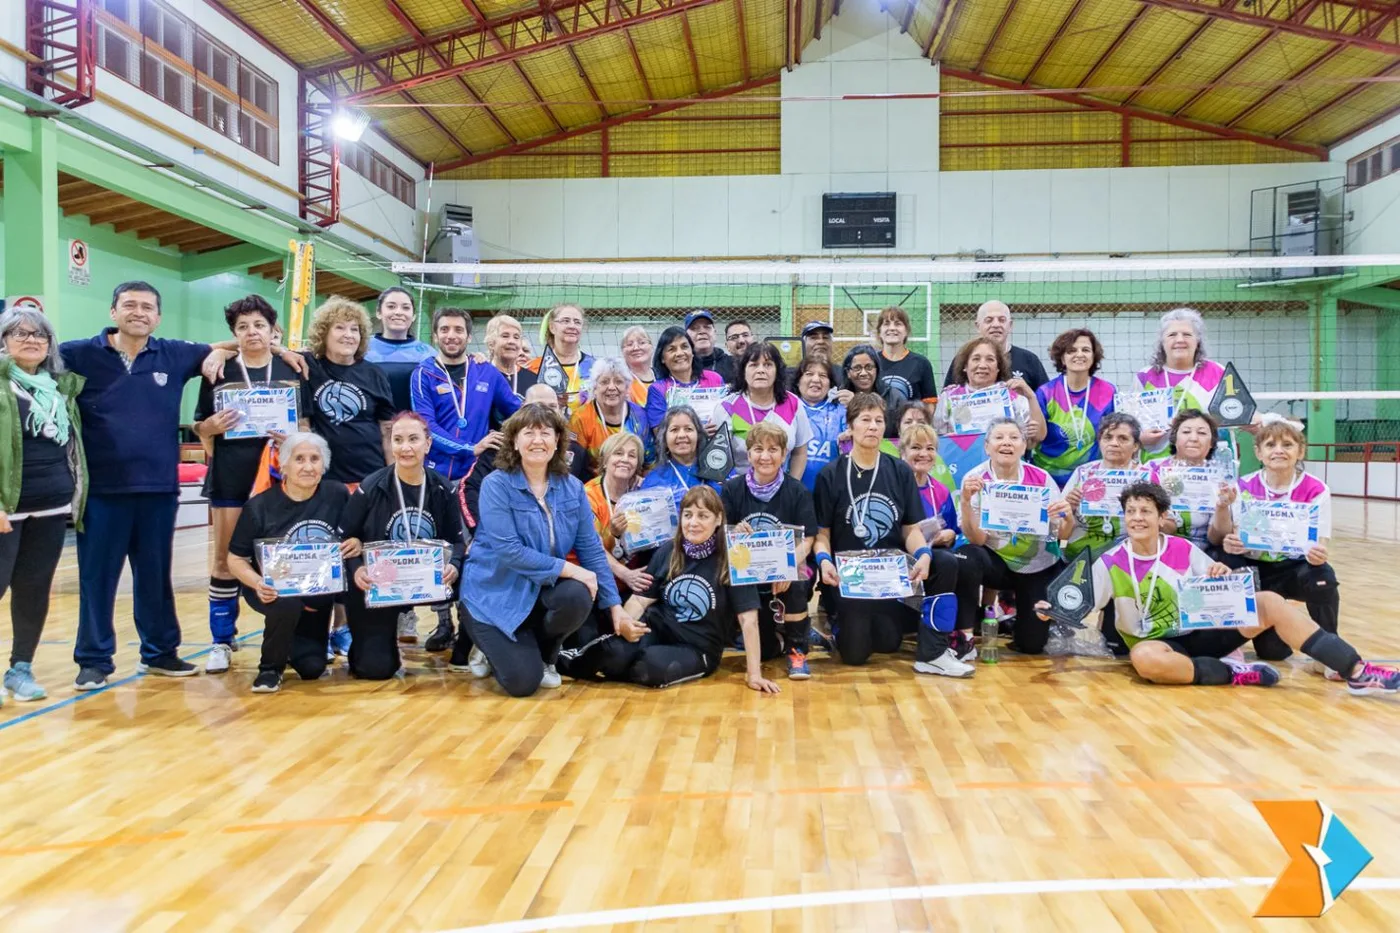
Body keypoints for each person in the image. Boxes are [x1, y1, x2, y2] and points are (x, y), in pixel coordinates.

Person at [1049, 482, 1399, 695]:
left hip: (1201, 630)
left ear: (1161, 516)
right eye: (1130, 511)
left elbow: (1218, 587)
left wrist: (1218, 571)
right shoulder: (1110, 561)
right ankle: (1234, 673)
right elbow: (1079, 602)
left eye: (1145, 511)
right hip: (1156, 641)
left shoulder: (1183, 548)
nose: (1137, 517)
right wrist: (1049, 608)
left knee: (1270, 602)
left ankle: (1355, 669)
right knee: (1146, 663)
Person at [61, 281, 225, 688]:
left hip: (157, 489)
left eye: (148, 307)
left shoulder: (174, 353)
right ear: (113, 311)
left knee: (155, 575)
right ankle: (94, 660)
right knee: (97, 578)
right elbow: (23, 356)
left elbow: (241, 342)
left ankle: (160, 653)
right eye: (130, 305)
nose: (139, 312)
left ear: (158, 316)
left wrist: (222, 350)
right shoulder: (76, 353)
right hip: (101, 492)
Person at [451, 402, 630, 697]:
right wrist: (574, 570)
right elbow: (509, 551)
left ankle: (547, 657)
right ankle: (482, 639)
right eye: (529, 433)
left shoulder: (572, 487)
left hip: (538, 590)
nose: (538, 440)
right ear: (515, 441)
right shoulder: (496, 484)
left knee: (577, 595)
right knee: (523, 684)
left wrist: (616, 607)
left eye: (546, 433)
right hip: (493, 595)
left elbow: (591, 550)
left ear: (557, 441)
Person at [556, 486, 778, 693]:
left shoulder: (734, 559)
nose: (693, 523)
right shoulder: (668, 551)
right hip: (656, 629)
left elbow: (748, 620)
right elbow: (640, 600)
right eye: (688, 515)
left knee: (650, 667)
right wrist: (625, 625)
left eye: (703, 515)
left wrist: (754, 674)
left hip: (697, 647)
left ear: (718, 519)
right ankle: (558, 662)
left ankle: (617, 666)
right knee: (613, 652)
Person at [193, 296, 311, 674]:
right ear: (234, 333)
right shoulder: (218, 368)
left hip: (281, 479)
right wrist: (213, 426)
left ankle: (281, 637)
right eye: (242, 327)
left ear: (272, 330)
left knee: (281, 557)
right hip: (231, 475)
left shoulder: (291, 366)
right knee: (226, 558)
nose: (251, 333)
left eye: (258, 325)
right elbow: (200, 427)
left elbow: (305, 427)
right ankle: (221, 640)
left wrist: (290, 437)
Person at [812, 393, 957, 672]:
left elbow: (910, 529)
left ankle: (935, 651)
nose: (873, 427)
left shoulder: (900, 471)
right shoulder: (830, 474)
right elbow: (822, 535)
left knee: (889, 642)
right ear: (850, 426)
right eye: (865, 420)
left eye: (879, 420)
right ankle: (838, 622)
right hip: (848, 575)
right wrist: (824, 561)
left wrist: (924, 554)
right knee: (855, 655)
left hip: (889, 572)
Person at [0, 309, 86, 702]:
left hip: (51, 505)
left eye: (39, 334)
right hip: (7, 507)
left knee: (33, 589)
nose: (31, 340)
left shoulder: (60, 387)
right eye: (19, 333)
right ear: (4, 340)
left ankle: (21, 669)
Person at [225, 432, 354, 693]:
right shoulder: (259, 506)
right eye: (299, 459)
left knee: (311, 668)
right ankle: (269, 670)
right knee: (286, 603)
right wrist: (259, 583)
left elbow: (355, 533)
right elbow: (235, 559)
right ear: (283, 465)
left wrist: (357, 542)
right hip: (271, 591)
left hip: (317, 594)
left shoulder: (337, 494)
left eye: (315, 459)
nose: (308, 466)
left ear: (324, 464)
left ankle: (291, 642)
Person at [339, 413, 464, 680]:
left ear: (428, 444)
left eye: (413, 439)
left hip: (429, 579)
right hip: (382, 583)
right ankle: (376, 645)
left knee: (475, 574)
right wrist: (358, 568)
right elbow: (346, 540)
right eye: (398, 440)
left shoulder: (443, 489)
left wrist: (453, 563)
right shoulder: (370, 487)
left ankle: (467, 642)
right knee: (375, 669)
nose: (405, 447)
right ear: (390, 444)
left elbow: (457, 542)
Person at [1218, 414, 1339, 669]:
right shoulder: (1244, 487)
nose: (1279, 451)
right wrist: (1234, 543)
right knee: (1273, 653)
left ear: (1300, 451)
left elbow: (1320, 541)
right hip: (1257, 570)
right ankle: (1244, 636)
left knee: (1323, 574)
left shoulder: (1316, 489)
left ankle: (1329, 652)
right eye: (1270, 445)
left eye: (1287, 444)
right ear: (1258, 452)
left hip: (1293, 567)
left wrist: (1318, 553)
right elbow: (1237, 534)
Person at [953, 418, 1073, 656]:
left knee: (1032, 646)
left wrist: (1068, 520)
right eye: (999, 437)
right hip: (996, 562)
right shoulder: (975, 479)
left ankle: (1018, 622)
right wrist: (966, 501)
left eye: (1013, 438)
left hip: (1036, 565)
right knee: (966, 556)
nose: (1006, 443)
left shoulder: (1042, 479)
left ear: (1024, 445)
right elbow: (976, 539)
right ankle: (964, 634)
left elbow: (1062, 537)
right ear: (987, 446)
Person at [721, 422, 819, 679]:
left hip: (790, 567)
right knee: (763, 652)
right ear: (749, 454)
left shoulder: (797, 491)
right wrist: (733, 534)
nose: (765, 456)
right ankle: (783, 637)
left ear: (784, 454)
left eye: (773, 449)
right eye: (758, 449)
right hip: (749, 572)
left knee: (798, 579)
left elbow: (808, 539)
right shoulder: (732, 489)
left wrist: (785, 566)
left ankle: (798, 651)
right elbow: (722, 536)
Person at [458, 383, 592, 540]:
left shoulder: (576, 451)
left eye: (552, 406)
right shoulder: (498, 446)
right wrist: (481, 533)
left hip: (558, 544)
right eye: (538, 406)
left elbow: (586, 502)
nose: (545, 412)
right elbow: (469, 488)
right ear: (523, 408)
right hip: (506, 542)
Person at [410, 307, 520, 483]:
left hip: (475, 474)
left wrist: (546, 412)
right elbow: (425, 426)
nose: (451, 335)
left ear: (468, 336)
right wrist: (470, 448)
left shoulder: (487, 372)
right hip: (434, 472)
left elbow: (517, 411)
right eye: (444, 329)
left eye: (459, 330)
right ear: (436, 336)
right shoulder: (423, 374)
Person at [899, 421, 970, 669]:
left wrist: (949, 534)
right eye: (916, 447)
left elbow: (954, 530)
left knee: (954, 561)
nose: (924, 454)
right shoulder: (895, 483)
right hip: (899, 558)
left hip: (932, 561)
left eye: (930, 448)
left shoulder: (940, 490)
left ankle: (937, 648)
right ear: (902, 452)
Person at [302, 297, 396, 486]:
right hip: (327, 478)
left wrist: (394, 477)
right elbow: (262, 349)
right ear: (323, 334)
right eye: (340, 328)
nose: (349, 335)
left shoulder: (375, 373)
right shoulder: (308, 366)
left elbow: (387, 431)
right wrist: (223, 350)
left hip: (371, 475)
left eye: (354, 329)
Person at [1135, 307, 1231, 459]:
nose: (1180, 340)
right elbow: (1132, 424)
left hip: (1207, 465)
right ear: (1162, 341)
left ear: (1197, 340)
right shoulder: (1145, 376)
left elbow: (1238, 412)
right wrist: (1139, 438)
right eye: (1172, 334)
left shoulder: (1219, 372)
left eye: (1187, 334)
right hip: (1157, 465)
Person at [712, 342, 812, 479]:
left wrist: (791, 488)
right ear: (743, 371)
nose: (761, 370)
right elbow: (717, 460)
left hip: (782, 490)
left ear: (777, 371)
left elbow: (800, 453)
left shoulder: (793, 403)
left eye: (768, 365)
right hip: (739, 492)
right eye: (753, 365)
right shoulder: (726, 408)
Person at [1033, 328, 1117, 486]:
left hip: (1090, 477)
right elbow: (1036, 437)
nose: (1079, 354)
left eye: (1085, 350)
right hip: (1048, 478)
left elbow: (1114, 433)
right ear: (1063, 359)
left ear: (1094, 356)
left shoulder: (1108, 391)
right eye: (1071, 351)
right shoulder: (1046, 392)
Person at [1061, 413, 1149, 562]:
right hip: (1079, 555)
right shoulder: (1083, 472)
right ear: (1100, 442)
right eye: (1108, 437)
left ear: (1135, 446)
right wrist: (1069, 508)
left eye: (1123, 438)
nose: (1114, 443)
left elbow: (1160, 524)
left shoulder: (1146, 478)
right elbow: (1059, 526)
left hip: (1128, 557)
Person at [1148, 408, 1235, 546]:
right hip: (1157, 545)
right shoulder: (1152, 469)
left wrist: (1222, 507)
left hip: (1203, 551)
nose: (1193, 438)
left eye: (1201, 433)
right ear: (1174, 438)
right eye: (1186, 432)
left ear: (1212, 442)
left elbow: (1217, 539)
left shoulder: (1220, 477)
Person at [937, 337, 1047, 444]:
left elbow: (1036, 438)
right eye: (976, 359)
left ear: (998, 367)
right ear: (965, 366)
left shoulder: (1012, 395)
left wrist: (1031, 396)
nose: (983, 365)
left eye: (990, 359)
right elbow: (938, 437)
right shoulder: (949, 397)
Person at [583, 432, 651, 600]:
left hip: (636, 578)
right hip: (598, 582)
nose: (625, 459)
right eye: (618, 453)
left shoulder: (642, 491)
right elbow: (592, 548)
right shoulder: (588, 495)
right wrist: (626, 574)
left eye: (632, 455)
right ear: (605, 461)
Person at [569, 358, 654, 475]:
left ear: (627, 387)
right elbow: (574, 468)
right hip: (593, 485)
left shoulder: (641, 416)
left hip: (634, 484)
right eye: (604, 382)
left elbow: (650, 464)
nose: (612, 387)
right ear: (594, 387)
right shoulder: (580, 418)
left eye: (618, 382)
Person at [944, 299, 1049, 391]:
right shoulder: (963, 359)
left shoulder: (1029, 360)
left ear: (1010, 325)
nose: (996, 325)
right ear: (977, 326)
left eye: (1002, 320)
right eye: (989, 320)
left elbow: (1046, 401)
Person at [644, 325, 726, 436]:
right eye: (671, 349)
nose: (679, 353)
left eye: (684, 347)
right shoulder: (658, 389)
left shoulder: (714, 379)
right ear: (662, 358)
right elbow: (659, 432)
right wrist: (697, 433)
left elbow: (727, 416)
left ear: (692, 351)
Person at [364, 287, 434, 413]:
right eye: (391, 306)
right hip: (372, 426)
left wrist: (478, 358)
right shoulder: (361, 348)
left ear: (413, 316)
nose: (398, 312)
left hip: (413, 428)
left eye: (405, 308)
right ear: (379, 312)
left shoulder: (428, 353)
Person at [639, 406, 720, 509]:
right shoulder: (653, 481)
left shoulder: (718, 468)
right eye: (674, 430)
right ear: (664, 438)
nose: (681, 435)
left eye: (688, 429)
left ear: (699, 435)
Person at [525, 304, 595, 412]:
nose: (572, 326)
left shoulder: (594, 367)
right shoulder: (533, 367)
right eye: (565, 321)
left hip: (584, 427)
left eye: (577, 322)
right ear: (552, 327)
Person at [795, 357, 846, 491]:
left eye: (823, 375)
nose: (816, 379)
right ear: (798, 381)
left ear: (831, 385)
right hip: (792, 492)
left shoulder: (841, 412)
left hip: (830, 493)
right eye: (809, 374)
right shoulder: (787, 409)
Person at [874, 307, 938, 412]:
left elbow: (929, 405)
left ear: (906, 331)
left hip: (910, 426)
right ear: (879, 332)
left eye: (898, 324)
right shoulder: (872, 362)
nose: (892, 328)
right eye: (886, 324)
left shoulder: (921, 363)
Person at [484, 314, 537, 401]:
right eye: (505, 336)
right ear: (491, 343)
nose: (512, 341)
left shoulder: (533, 379)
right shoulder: (481, 376)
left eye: (516, 337)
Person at [685, 309, 734, 384]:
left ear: (715, 333)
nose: (702, 332)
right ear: (685, 336)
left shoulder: (733, 364)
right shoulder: (681, 366)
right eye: (694, 328)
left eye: (707, 327)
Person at [619, 325, 654, 407]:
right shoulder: (622, 381)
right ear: (623, 351)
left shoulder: (662, 376)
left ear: (651, 347)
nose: (636, 348)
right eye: (629, 344)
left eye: (642, 342)